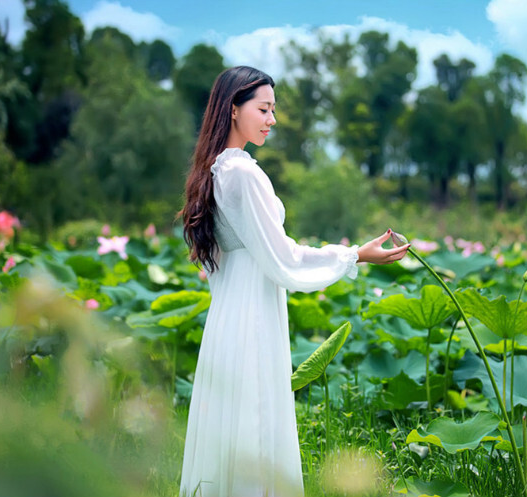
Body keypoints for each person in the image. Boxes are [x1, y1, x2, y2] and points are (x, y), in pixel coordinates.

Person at [178, 66, 409, 497]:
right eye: (264, 109)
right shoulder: (243, 174)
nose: (272, 119)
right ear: (233, 109)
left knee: (235, 428)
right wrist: (355, 254)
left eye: (273, 110)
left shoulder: (215, 172)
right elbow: (283, 258)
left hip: (228, 317)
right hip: (252, 318)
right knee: (256, 424)